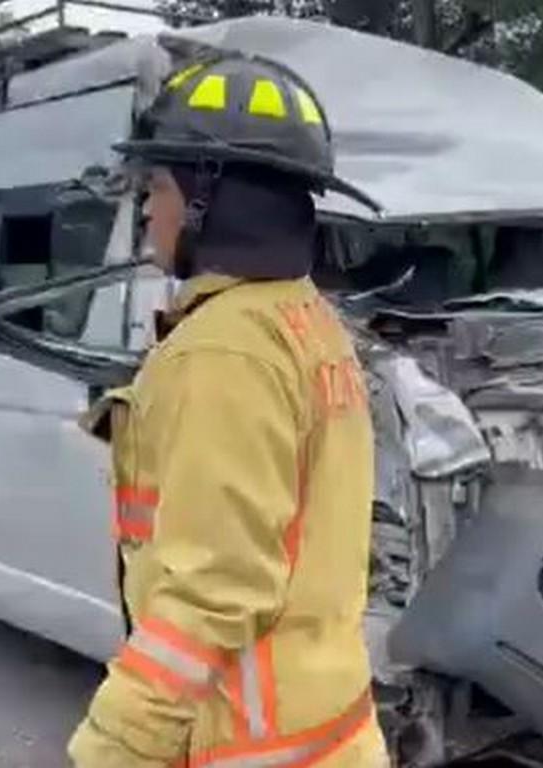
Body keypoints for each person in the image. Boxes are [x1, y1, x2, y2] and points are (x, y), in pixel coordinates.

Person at [68, 52, 389, 768]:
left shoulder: (222, 352)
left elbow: (213, 590)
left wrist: (116, 745)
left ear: (208, 197)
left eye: (156, 185)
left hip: (248, 748)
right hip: (331, 736)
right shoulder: (309, 322)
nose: (147, 207)